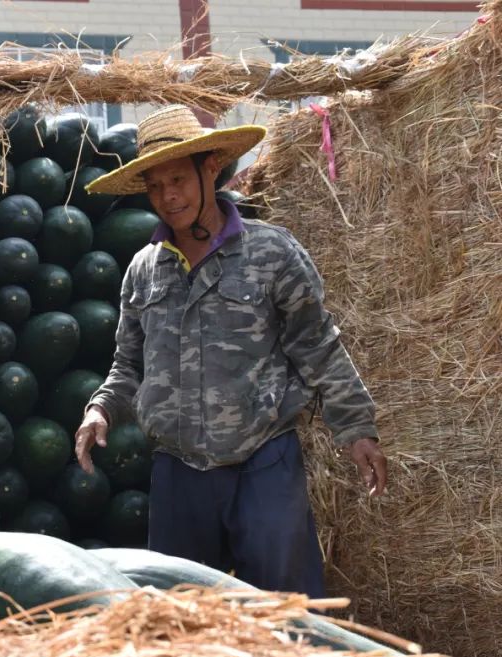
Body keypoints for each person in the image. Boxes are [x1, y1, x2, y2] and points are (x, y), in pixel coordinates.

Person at [74, 105, 387, 598]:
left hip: (264, 462)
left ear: (210, 169)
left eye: (177, 179)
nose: (167, 196)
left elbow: (318, 346)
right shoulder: (143, 269)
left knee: (286, 613)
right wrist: (101, 408)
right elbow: (128, 364)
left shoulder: (272, 253)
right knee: (183, 621)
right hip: (178, 471)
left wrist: (356, 428)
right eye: (154, 186)